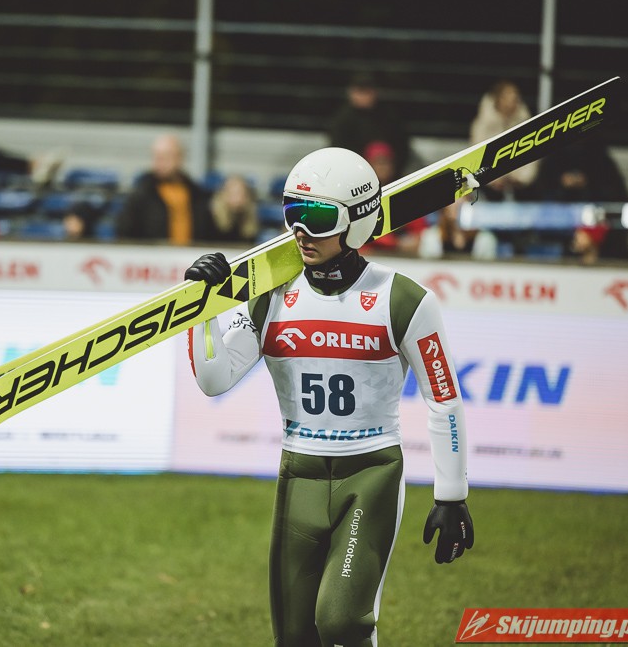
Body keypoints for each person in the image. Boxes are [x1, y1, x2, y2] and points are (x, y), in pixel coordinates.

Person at [184, 147, 473, 647]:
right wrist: (201, 308)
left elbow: (443, 398)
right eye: (292, 213)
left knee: (341, 622)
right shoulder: (272, 297)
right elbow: (215, 379)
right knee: (294, 637)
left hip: (371, 473)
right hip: (299, 474)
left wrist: (452, 494)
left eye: (317, 218)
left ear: (356, 221)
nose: (301, 231)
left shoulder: (402, 299)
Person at [116, 134, 215, 245]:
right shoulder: (141, 193)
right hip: (154, 255)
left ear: (179, 157)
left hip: (191, 254)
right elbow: (125, 232)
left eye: (165, 156)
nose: (159, 161)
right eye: (156, 156)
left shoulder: (197, 194)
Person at [327, 73, 410, 176]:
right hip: (355, 172)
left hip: (390, 174)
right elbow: (338, 149)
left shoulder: (388, 115)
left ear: (374, 93)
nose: (363, 97)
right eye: (359, 92)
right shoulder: (342, 119)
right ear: (351, 93)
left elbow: (401, 145)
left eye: (366, 92)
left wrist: (388, 166)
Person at [469, 80, 539, 201]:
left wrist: (521, 178)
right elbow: (477, 156)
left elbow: (532, 152)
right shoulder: (483, 124)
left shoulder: (525, 121)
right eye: (507, 98)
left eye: (515, 98)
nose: (511, 102)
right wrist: (492, 179)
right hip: (490, 184)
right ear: (498, 99)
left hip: (520, 185)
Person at [209, 175, 260, 244]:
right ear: (223, 195)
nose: (238, 198)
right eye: (234, 193)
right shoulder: (210, 216)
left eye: (242, 194)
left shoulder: (250, 218)